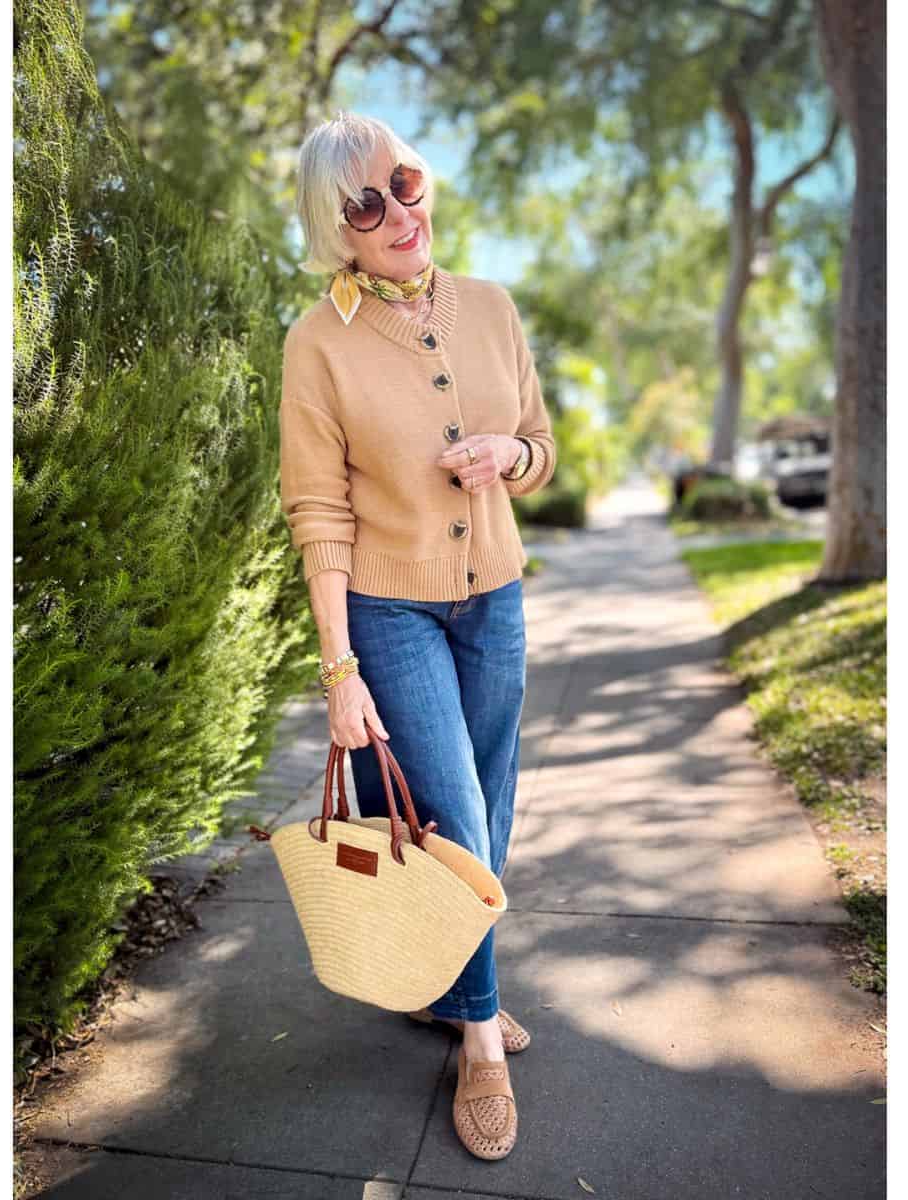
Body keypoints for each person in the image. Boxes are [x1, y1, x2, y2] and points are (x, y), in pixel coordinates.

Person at [279, 111, 556, 1161]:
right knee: (457, 818)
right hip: (390, 614)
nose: (400, 212)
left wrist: (511, 459)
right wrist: (339, 665)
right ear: (336, 228)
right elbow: (320, 514)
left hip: (496, 599)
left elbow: (540, 445)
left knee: (488, 808)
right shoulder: (318, 344)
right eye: (367, 202)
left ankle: (447, 984)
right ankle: (480, 1037)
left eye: (406, 181)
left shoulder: (490, 307)